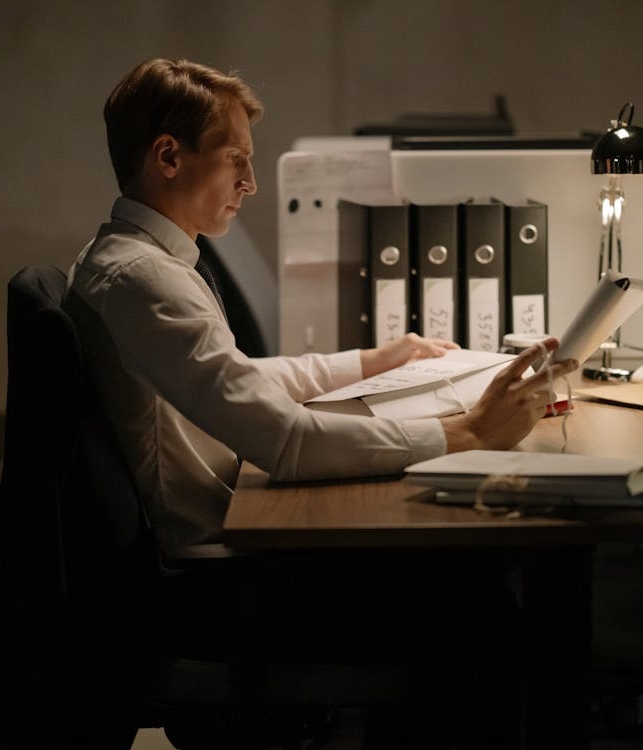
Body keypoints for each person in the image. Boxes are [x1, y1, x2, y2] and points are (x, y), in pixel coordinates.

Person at [65, 58, 577, 552]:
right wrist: (465, 433)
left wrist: (369, 362)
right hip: (221, 561)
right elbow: (289, 442)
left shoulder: (133, 259)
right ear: (169, 157)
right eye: (234, 159)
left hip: (232, 526)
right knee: (471, 572)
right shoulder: (144, 280)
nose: (251, 182)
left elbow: (235, 377)